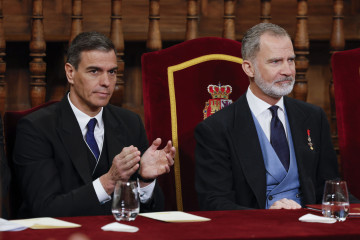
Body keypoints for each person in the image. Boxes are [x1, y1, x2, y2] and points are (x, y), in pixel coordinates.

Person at [13, 32, 175, 217]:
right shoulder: (36, 128)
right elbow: (45, 209)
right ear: (70, 73)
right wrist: (108, 181)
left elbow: (154, 212)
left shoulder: (130, 123)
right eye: (94, 71)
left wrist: (145, 180)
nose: (106, 82)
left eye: (112, 72)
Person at [195, 23, 340, 210]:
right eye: (275, 62)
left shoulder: (314, 117)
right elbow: (214, 203)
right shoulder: (216, 129)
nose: (288, 71)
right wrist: (266, 217)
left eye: (291, 60)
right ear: (249, 68)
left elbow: (331, 190)